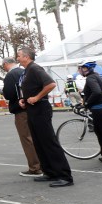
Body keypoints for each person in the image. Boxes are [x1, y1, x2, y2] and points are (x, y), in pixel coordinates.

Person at [16, 47, 73, 187]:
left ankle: (65, 176)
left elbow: (51, 84)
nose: (17, 58)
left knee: (48, 142)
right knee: (39, 142)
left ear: (26, 57)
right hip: (32, 110)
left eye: (19, 55)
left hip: (41, 109)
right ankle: (50, 172)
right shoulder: (27, 71)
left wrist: (36, 97)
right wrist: (24, 99)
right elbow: (33, 88)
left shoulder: (35, 68)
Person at [1, 57, 42, 177]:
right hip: (33, 107)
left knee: (27, 139)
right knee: (36, 137)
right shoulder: (24, 71)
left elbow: (8, 94)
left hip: (20, 109)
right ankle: (43, 163)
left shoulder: (11, 75)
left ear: (6, 64)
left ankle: (35, 167)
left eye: (3, 66)